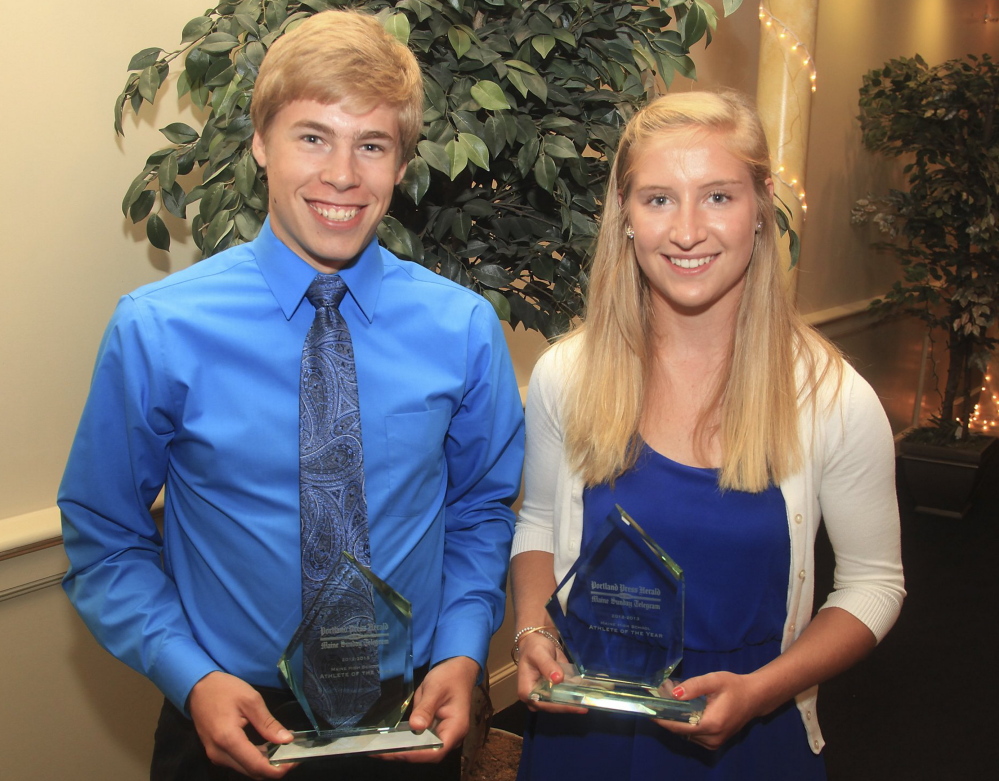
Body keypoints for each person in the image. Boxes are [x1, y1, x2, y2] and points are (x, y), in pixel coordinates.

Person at [59, 10, 524, 781]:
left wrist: (464, 646)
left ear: (402, 164)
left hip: (411, 717)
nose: (342, 174)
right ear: (258, 144)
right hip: (231, 719)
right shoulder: (159, 327)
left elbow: (479, 508)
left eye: (371, 145)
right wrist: (191, 678)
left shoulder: (462, 328)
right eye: (312, 136)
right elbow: (103, 533)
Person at [509, 90, 905, 780]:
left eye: (717, 196)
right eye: (658, 199)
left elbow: (872, 583)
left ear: (759, 209)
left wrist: (765, 688)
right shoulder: (566, 376)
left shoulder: (831, 397)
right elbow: (539, 520)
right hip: (583, 737)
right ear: (625, 217)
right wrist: (530, 629)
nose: (686, 230)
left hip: (750, 735)